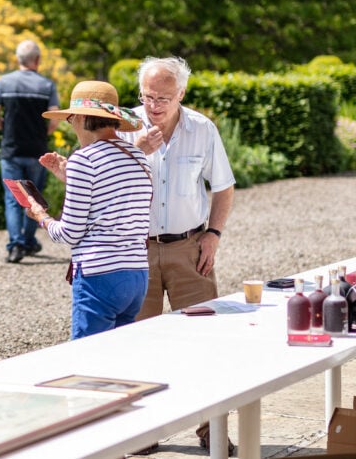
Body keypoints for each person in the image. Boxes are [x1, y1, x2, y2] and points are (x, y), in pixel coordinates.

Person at [117, 56, 236, 455]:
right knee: (136, 345)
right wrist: (134, 149)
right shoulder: (123, 126)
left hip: (190, 249)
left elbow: (223, 186)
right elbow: (100, 181)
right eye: (148, 96)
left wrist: (214, 235)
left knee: (205, 343)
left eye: (163, 97)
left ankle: (211, 430)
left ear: (181, 94)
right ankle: (143, 432)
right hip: (137, 250)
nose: (154, 105)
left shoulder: (202, 129)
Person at [23, 80, 153, 340]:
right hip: (137, 273)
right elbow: (114, 202)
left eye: (70, 118)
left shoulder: (84, 160)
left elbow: (69, 233)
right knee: (121, 354)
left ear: (81, 118)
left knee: (88, 361)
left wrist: (40, 215)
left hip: (99, 274)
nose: (70, 125)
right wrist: (70, 177)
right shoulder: (138, 156)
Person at [0, 40, 60, 264]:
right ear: (37, 60)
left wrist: (7, 131)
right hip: (37, 150)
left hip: (11, 149)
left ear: (18, 59)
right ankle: (29, 241)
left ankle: (15, 245)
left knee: (12, 199)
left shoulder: (4, 82)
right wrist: (42, 133)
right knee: (33, 198)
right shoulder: (47, 86)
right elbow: (54, 120)